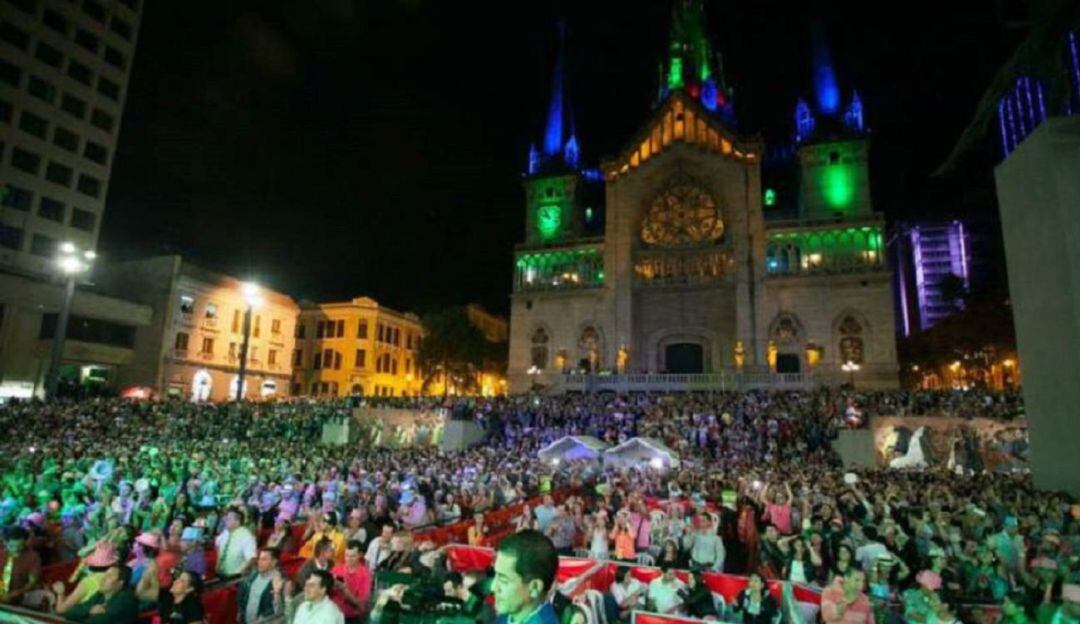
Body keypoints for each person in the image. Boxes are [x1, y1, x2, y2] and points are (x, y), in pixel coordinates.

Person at [492, 530, 560, 624]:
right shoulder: (508, 616)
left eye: (503, 580)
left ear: (534, 587)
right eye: (495, 575)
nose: (493, 587)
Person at [59, 563, 138, 624]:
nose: (103, 579)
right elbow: (70, 613)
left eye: (109, 576)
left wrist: (82, 615)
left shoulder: (126, 599)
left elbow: (96, 622)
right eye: (105, 575)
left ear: (120, 583)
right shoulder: (101, 594)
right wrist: (89, 610)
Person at [238, 547, 286, 623]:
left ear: (274, 562)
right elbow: (243, 595)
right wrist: (240, 611)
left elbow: (281, 612)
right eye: (259, 559)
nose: (259, 562)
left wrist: (277, 594)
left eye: (264, 559)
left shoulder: (281, 582)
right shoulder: (253, 575)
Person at [331, 540, 373, 624]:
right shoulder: (336, 569)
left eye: (352, 556)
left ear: (360, 555)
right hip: (333, 613)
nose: (348, 559)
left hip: (351, 617)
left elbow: (361, 606)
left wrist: (345, 590)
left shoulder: (365, 574)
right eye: (346, 555)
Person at [0, 526, 41, 605]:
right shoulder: (1, 554)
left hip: (18, 598)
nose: (15, 549)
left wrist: (16, 593)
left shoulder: (33, 557)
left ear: (25, 542)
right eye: (11, 546)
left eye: (20, 546)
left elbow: (32, 582)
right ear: (5, 542)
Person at [215, 508, 257, 579]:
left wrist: (240, 574)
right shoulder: (225, 532)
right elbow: (217, 545)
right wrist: (218, 561)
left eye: (229, 518)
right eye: (226, 517)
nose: (226, 520)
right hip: (220, 573)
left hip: (235, 576)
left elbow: (251, 558)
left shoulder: (247, 536)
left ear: (237, 521)